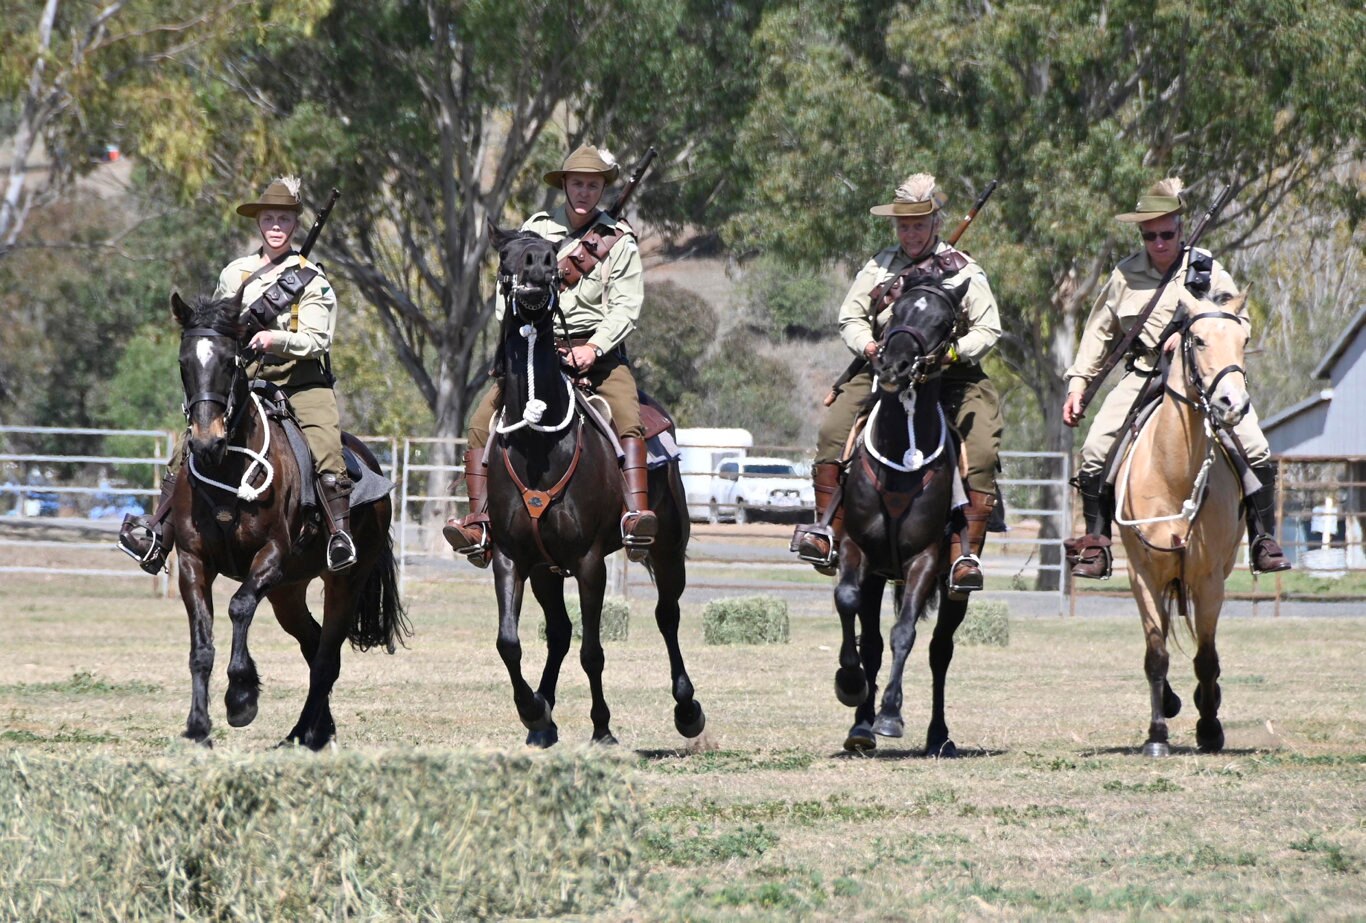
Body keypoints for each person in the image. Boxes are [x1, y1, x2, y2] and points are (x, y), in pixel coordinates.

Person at [119, 175, 356, 573]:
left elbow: (318, 340)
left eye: (283, 219)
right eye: (269, 219)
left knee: (327, 448)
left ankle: (338, 536)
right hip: (245, 377)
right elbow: (215, 329)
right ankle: (159, 530)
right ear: (259, 224)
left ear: (295, 225)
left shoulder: (313, 278)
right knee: (191, 440)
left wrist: (272, 339)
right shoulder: (235, 274)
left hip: (300, 381)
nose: (276, 227)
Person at [1062, 177, 1290, 578]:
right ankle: (1095, 545)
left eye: (1167, 233)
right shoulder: (1124, 275)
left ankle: (1263, 539)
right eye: (1150, 236)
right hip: (1145, 372)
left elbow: (1238, 320)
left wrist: (1190, 337)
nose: (1160, 242)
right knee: (1096, 449)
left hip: (1204, 377)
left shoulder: (1207, 270)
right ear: (1142, 235)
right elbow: (1099, 332)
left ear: (1180, 230)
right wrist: (1079, 383)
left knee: (1255, 447)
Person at [790, 173, 1004, 595]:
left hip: (950, 375)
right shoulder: (879, 266)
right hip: (883, 370)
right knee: (834, 432)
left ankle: (965, 555)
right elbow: (849, 317)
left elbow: (988, 327)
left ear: (935, 224)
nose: (910, 233)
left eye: (919, 225)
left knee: (980, 448)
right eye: (903, 225)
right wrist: (868, 347)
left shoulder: (963, 270)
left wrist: (952, 352)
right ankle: (825, 533)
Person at [443, 144, 655, 567]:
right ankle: (480, 521)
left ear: (601, 189)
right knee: (481, 423)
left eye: (593, 185)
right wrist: (515, 337)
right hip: (534, 349)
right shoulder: (533, 232)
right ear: (564, 185)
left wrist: (593, 348)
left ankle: (634, 516)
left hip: (599, 352)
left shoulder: (619, 240)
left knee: (629, 417)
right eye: (576, 183)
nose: (584, 192)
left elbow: (626, 307)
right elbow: (508, 291)